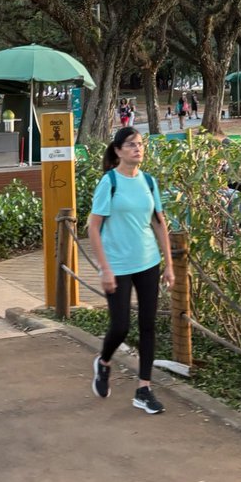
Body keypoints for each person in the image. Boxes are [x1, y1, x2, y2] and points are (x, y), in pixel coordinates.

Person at [88, 128, 174, 414]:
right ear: (118, 150)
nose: (138, 149)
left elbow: (159, 223)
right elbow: (93, 227)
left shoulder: (149, 181)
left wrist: (169, 264)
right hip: (118, 266)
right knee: (121, 326)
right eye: (131, 145)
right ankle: (103, 362)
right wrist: (104, 268)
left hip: (148, 262)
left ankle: (144, 389)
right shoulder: (109, 182)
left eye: (140, 144)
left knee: (148, 326)